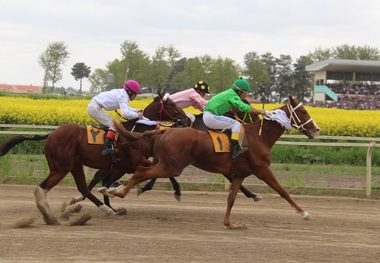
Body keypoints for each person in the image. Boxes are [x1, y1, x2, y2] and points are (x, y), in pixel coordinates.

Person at [203, 77, 267, 159]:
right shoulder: (232, 95)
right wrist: (260, 111)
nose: (247, 95)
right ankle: (234, 149)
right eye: (246, 92)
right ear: (240, 91)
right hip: (211, 117)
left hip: (210, 116)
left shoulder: (230, 93)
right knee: (237, 125)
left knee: (232, 125)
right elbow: (244, 107)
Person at [87, 79, 143, 156]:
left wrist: (137, 111)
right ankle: (106, 148)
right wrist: (137, 115)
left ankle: (106, 139)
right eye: (135, 94)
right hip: (95, 108)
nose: (135, 96)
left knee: (112, 124)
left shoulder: (123, 94)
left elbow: (127, 108)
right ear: (130, 92)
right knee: (114, 125)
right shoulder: (123, 96)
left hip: (94, 106)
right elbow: (125, 113)